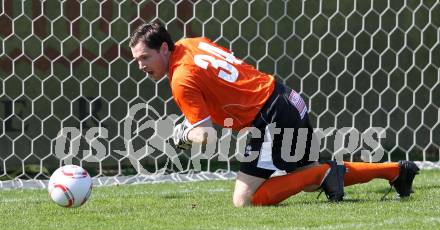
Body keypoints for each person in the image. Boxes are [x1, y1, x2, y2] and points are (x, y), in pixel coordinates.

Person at [129, 21, 420, 207]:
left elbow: (205, 135)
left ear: (164, 48)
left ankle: (327, 172)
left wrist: (180, 133)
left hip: (269, 118)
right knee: (305, 177)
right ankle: (396, 171)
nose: (141, 65)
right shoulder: (192, 43)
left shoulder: (180, 78)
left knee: (244, 200)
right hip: (286, 98)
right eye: (137, 60)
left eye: (145, 57)